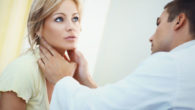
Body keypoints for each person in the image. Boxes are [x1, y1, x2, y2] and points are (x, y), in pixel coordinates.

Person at [38, 0, 195, 109]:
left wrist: (62, 80)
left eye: (158, 23)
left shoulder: (172, 66)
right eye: (59, 19)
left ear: (178, 21)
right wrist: (86, 80)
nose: (151, 37)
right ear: (39, 27)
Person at [0, 0, 82, 110]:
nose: (71, 27)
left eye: (75, 18)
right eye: (59, 19)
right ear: (38, 28)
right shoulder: (22, 70)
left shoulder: (74, 72)